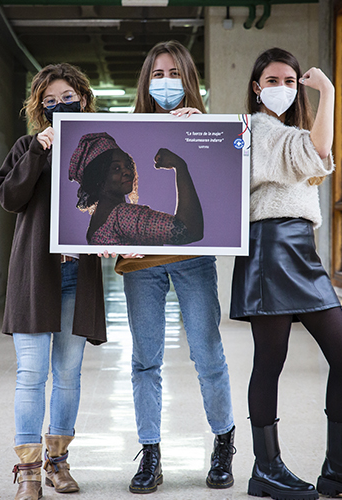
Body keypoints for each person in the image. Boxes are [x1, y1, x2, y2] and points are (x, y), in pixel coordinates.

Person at [230, 48, 342, 500]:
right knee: (271, 360)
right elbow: (320, 151)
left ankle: (338, 467)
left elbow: (314, 154)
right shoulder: (258, 129)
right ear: (256, 87)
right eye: (272, 80)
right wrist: (329, 93)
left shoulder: (288, 132)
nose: (281, 87)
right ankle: (267, 469)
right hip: (269, 247)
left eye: (289, 80)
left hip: (300, 247)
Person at [114, 40, 236, 494]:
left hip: (192, 257)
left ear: (190, 80)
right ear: (145, 81)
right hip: (141, 260)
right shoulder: (123, 133)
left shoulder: (210, 130)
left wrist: (202, 132)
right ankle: (150, 452)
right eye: (158, 74)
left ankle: (223, 443)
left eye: (174, 74)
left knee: (207, 353)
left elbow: (222, 191)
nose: (166, 83)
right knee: (145, 359)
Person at [0, 63, 107, 500]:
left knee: (67, 374)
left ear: (84, 99)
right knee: (31, 373)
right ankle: (28, 471)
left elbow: (115, 201)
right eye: (50, 100)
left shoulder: (98, 149)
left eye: (68, 97)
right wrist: (38, 152)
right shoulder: (27, 147)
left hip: (78, 274)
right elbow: (10, 197)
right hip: (34, 275)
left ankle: (58, 462)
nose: (60, 105)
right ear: (39, 108)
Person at [68, 131, 203, 246]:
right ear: (98, 178)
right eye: (116, 168)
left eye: (128, 165)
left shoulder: (97, 219)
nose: (127, 171)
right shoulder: (121, 215)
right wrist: (180, 165)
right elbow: (190, 230)